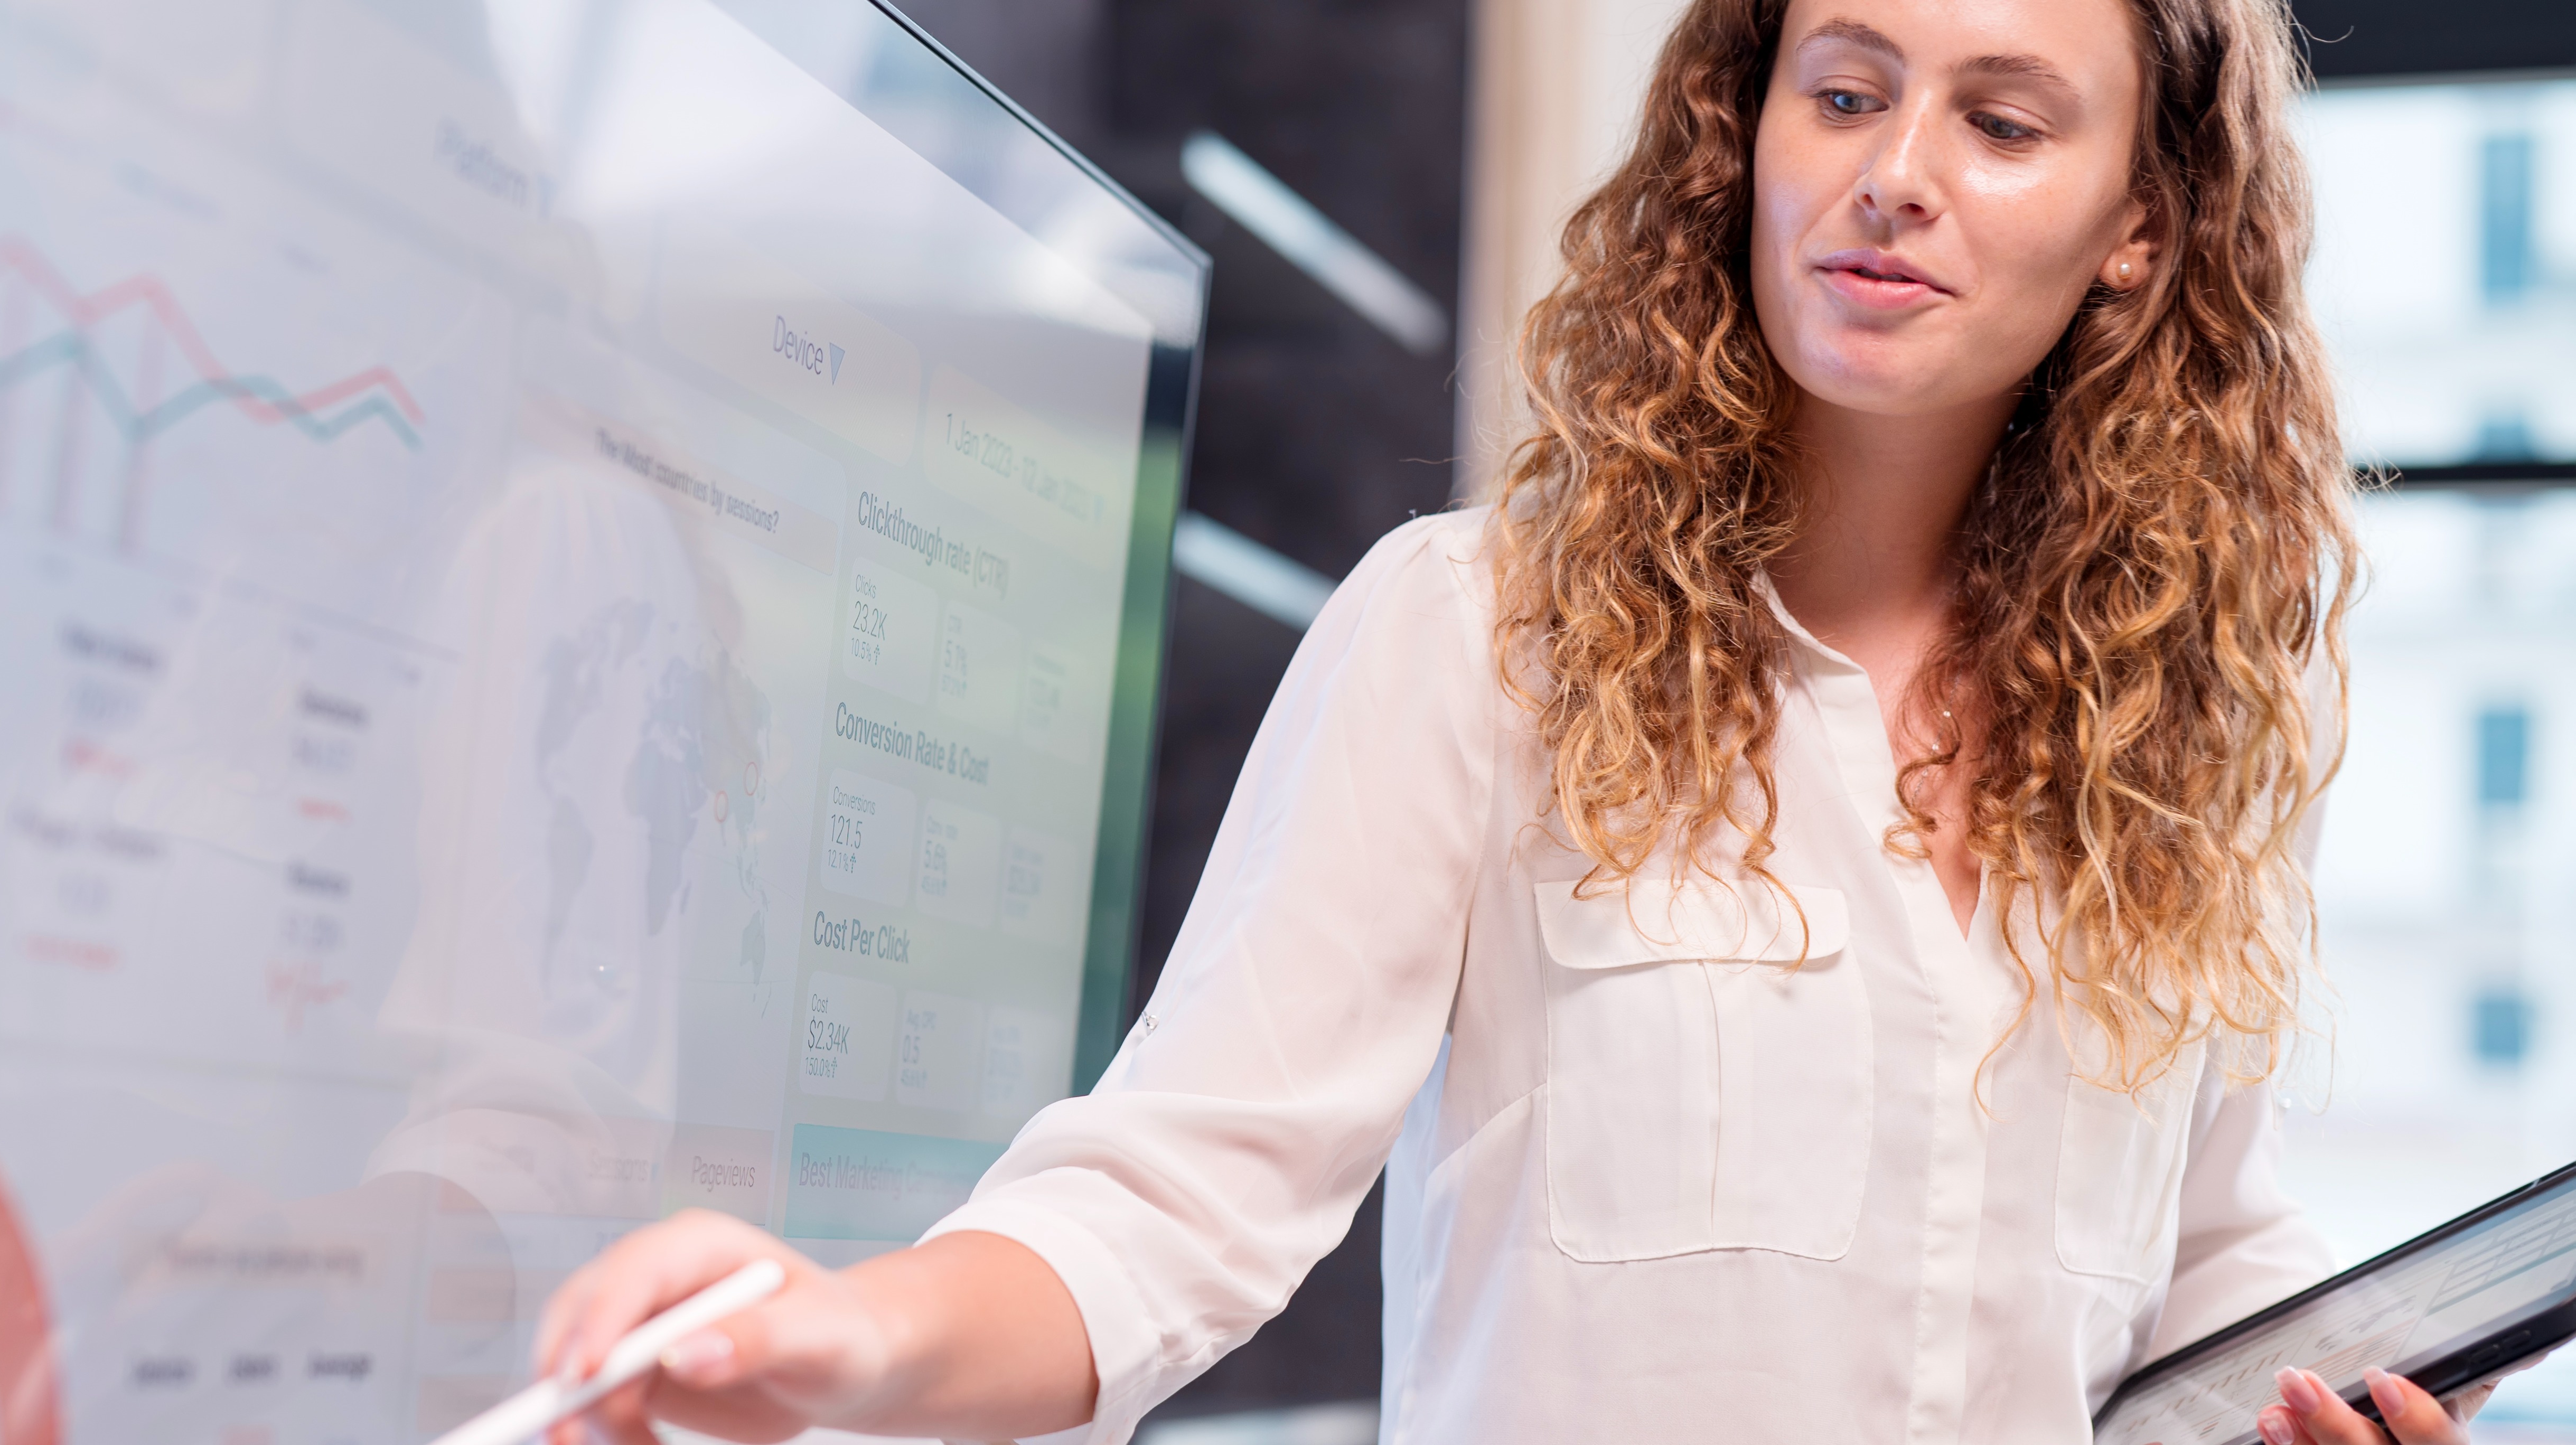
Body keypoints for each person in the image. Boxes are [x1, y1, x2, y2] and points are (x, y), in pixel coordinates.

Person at [531, 0, 2512, 1440]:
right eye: (1842, 91)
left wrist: (2315, 1393)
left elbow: (2199, 1253)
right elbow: (1164, 1208)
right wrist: (846, 1342)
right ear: (1752, 132)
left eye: (2002, 123)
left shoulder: (2175, 759)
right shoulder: (1478, 637)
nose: (1891, 176)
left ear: (2138, 231)